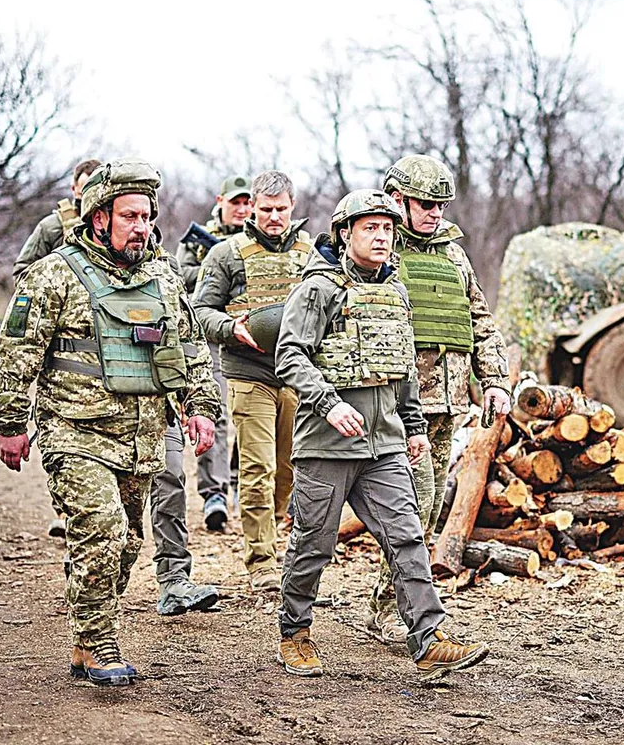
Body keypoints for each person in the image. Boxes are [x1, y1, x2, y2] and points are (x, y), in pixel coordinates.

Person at [0, 158, 220, 686]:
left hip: (142, 436)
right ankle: (100, 643)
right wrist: (10, 422)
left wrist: (201, 407)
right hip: (74, 430)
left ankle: (83, 633)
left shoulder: (162, 278)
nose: (143, 227)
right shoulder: (56, 273)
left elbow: (190, 349)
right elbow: (17, 350)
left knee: (127, 544)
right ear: (99, 218)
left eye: (147, 216)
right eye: (130, 217)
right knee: (102, 530)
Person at [273, 188, 488, 677]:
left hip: (384, 443)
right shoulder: (318, 289)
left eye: (388, 228)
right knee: (314, 543)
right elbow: (289, 356)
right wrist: (328, 404)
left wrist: (412, 427)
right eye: (370, 227)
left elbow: (403, 370)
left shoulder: (395, 292)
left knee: (407, 537)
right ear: (345, 233)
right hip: (326, 444)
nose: (382, 236)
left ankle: (429, 637)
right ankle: (295, 632)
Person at [369, 153, 513, 643]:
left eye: (440, 205)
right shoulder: (378, 252)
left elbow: (479, 319)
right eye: (424, 204)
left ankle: (390, 605)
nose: (434, 213)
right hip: (396, 406)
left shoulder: (453, 254)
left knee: (424, 513)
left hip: (447, 404)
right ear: (397, 200)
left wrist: (494, 379)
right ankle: (404, 613)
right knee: (412, 508)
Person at [193, 171, 311, 591]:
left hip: (298, 374)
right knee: (256, 466)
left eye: (281, 210)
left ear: (292, 206)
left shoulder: (312, 254)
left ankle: (277, 531)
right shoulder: (226, 254)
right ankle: (261, 559)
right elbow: (200, 311)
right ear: (253, 209)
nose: (274, 217)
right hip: (247, 371)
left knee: (287, 469)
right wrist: (230, 328)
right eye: (265, 210)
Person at [13, 157, 103, 539]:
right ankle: (67, 511)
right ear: (74, 189)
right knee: (65, 422)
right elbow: (22, 272)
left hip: (106, 343)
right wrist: (57, 284)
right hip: (61, 338)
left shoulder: (119, 226)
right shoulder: (53, 227)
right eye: (85, 186)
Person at [163, 175, 253, 534]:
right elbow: (178, 274)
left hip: (252, 340)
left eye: (248, 203)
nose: (242, 209)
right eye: (236, 203)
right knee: (213, 413)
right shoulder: (199, 241)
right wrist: (218, 271)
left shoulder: (256, 237)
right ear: (221, 201)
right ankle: (214, 493)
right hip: (211, 337)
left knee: (248, 417)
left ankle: (237, 485)